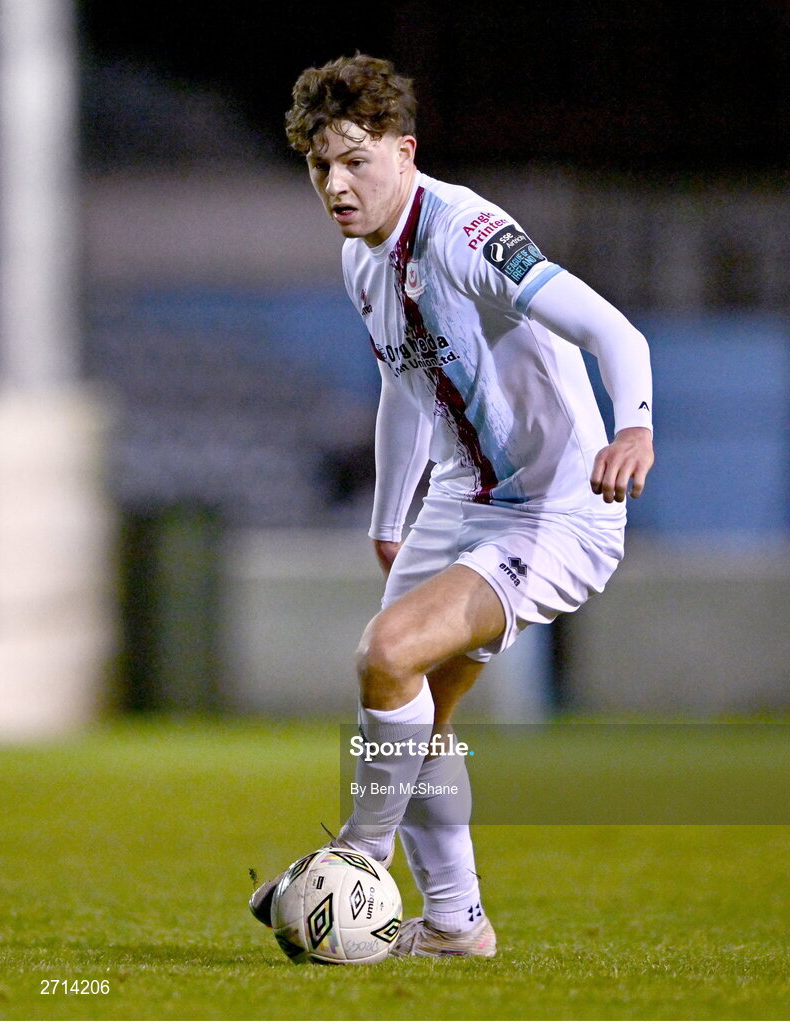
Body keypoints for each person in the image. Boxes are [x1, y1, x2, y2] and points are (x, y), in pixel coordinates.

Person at [250, 53, 654, 958]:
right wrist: (390, 517)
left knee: (387, 655)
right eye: (320, 165)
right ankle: (454, 923)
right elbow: (404, 385)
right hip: (460, 503)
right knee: (418, 713)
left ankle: (358, 857)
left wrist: (633, 431)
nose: (337, 183)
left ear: (405, 149)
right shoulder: (362, 261)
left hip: (554, 509)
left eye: (356, 159)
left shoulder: (466, 234)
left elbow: (612, 331)